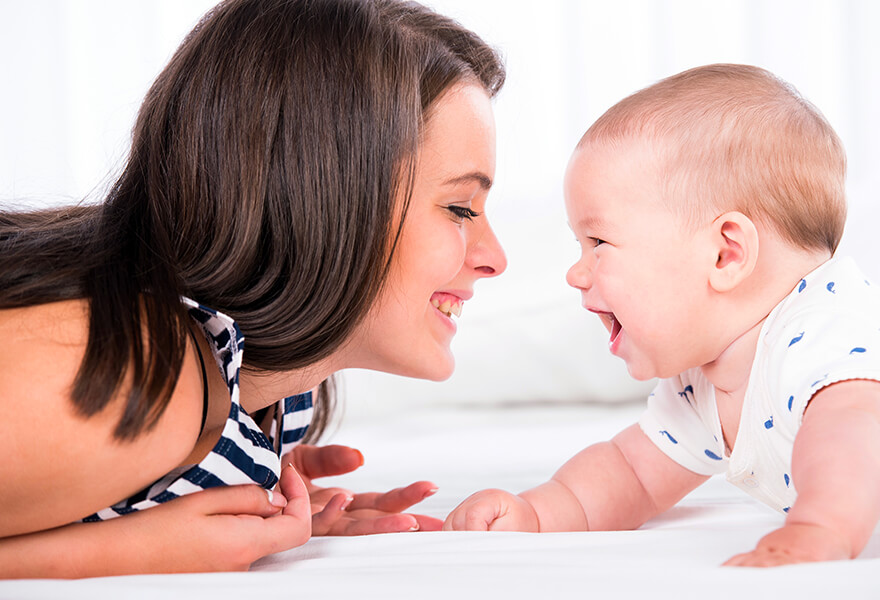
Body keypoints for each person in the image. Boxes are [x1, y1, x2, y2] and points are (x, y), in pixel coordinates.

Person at [0, 0, 506, 577]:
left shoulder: (270, 393)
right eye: (461, 208)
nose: (496, 259)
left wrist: (252, 490)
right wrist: (134, 551)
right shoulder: (142, 371)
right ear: (323, 201)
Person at [443, 63, 880, 566]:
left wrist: (819, 528)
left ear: (725, 253)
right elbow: (631, 473)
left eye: (598, 242)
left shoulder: (827, 330)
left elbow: (849, 439)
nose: (576, 273)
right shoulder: (702, 386)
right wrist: (538, 513)